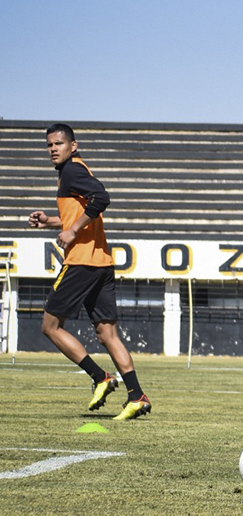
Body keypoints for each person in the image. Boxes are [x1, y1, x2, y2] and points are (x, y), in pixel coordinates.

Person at [28, 123, 151, 420]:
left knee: (50, 326)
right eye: (49, 145)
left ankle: (100, 377)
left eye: (58, 143)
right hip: (101, 263)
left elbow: (101, 198)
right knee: (107, 333)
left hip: (81, 262)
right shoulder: (75, 171)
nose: (53, 149)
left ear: (73, 145)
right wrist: (52, 221)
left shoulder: (72, 170)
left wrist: (70, 231)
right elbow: (84, 209)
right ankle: (137, 396)